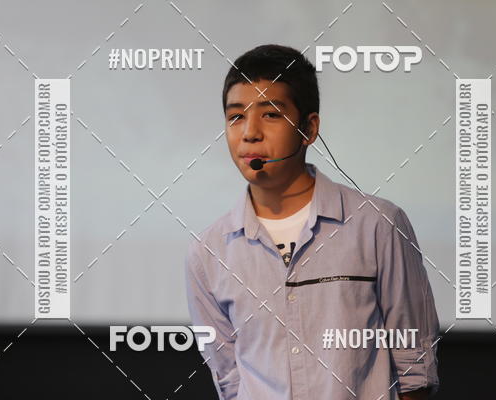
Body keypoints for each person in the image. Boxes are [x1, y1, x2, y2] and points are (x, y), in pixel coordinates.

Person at [184, 44, 440, 400]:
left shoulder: (378, 226)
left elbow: (414, 371)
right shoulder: (209, 253)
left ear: (308, 128)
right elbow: (230, 380)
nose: (250, 132)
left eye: (270, 114)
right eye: (236, 117)